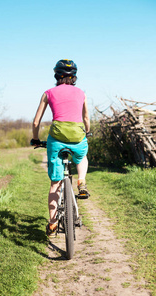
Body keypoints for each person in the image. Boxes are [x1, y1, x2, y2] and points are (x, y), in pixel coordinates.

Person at [31, 59, 90, 236]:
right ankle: (81, 181)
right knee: (81, 157)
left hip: (56, 138)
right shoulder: (81, 93)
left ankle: (53, 222)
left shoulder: (48, 93)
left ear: (57, 75)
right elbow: (86, 119)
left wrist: (35, 139)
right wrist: (87, 132)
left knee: (55, 183)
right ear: (74, 77)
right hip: (77, 135)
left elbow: (36, 121)